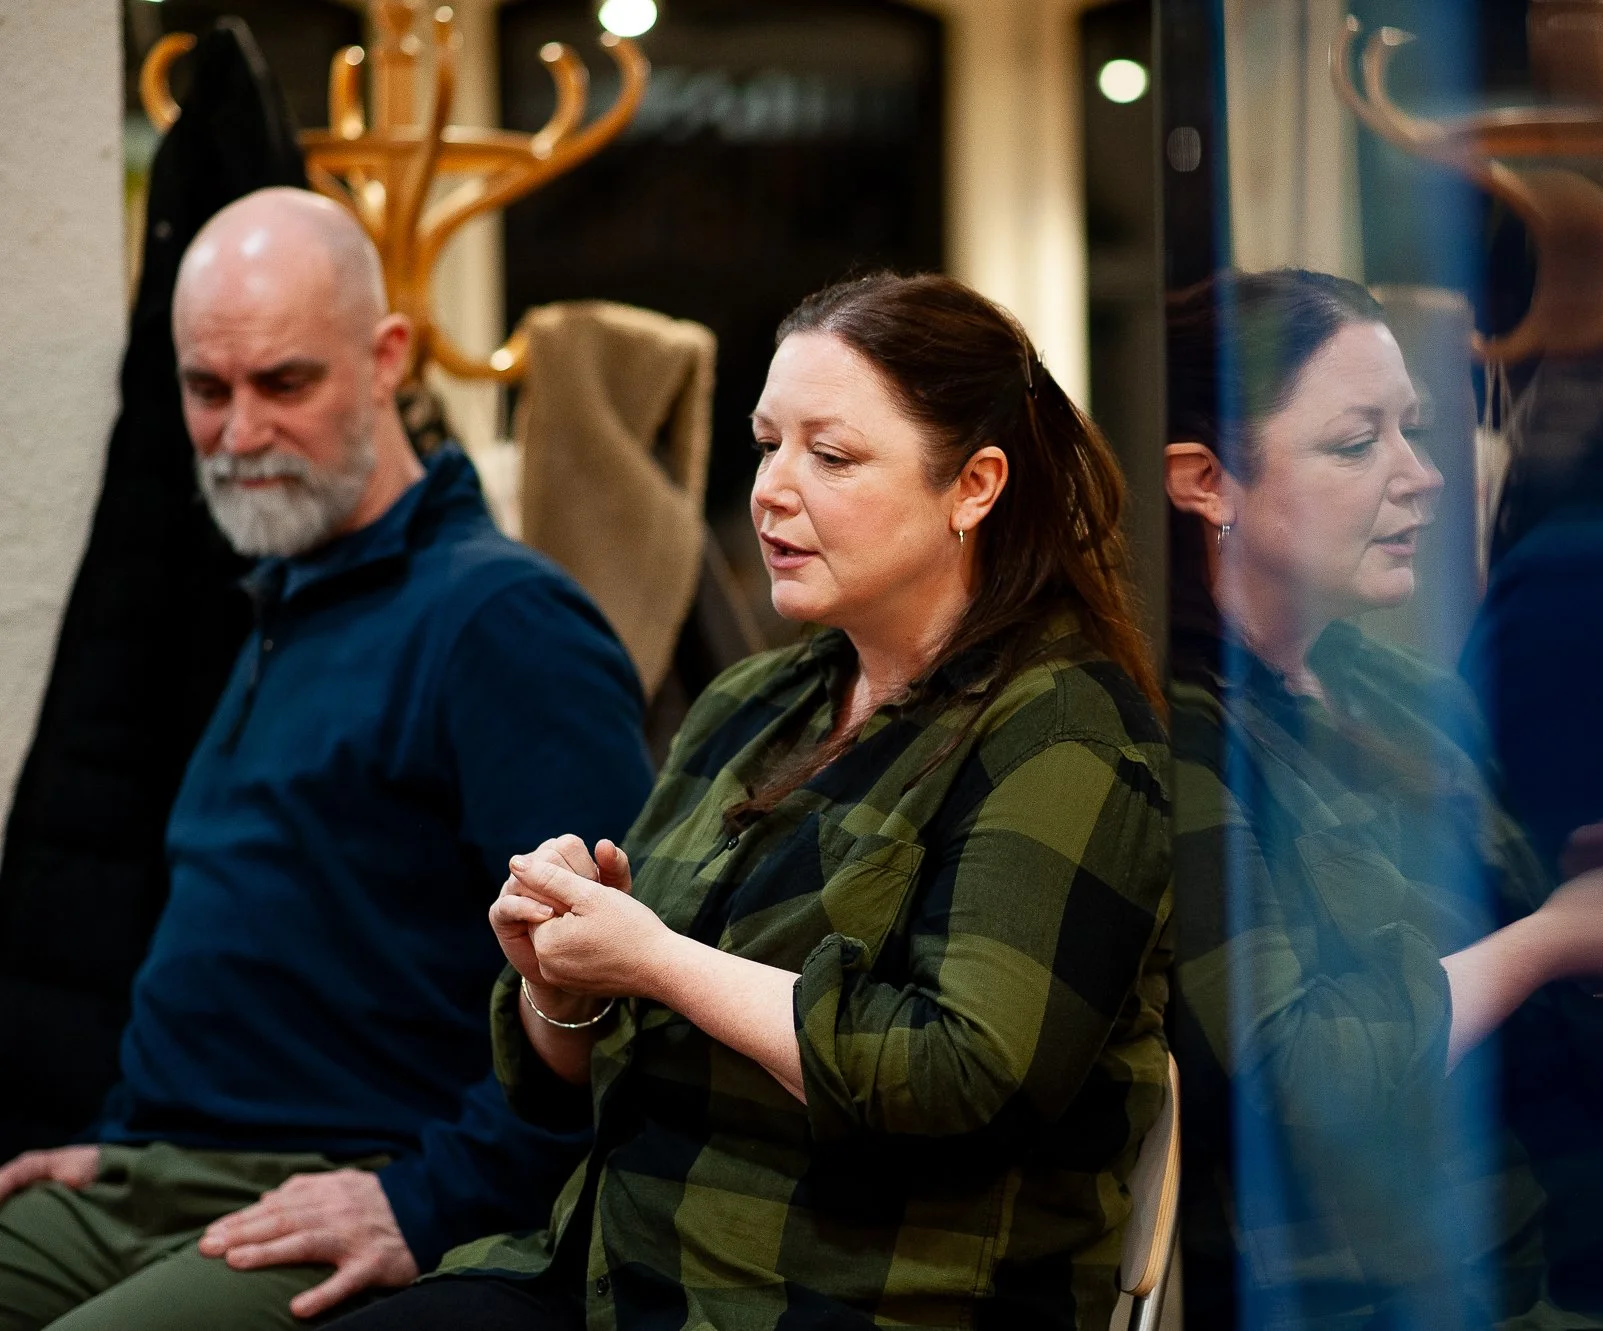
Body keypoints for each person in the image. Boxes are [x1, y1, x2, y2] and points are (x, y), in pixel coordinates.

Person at [328, 272, 1175, 1331]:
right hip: (606, 1267)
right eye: (767, 442)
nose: (771, 488)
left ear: (974, 485)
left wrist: (655, 958)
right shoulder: (756, 698)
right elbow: (570, 1085)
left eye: (829, 456)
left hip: (848, 1298)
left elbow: (961, 1075)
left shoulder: (1065, 734)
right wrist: (564, 978)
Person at [0, 188, 654, 1331]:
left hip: (335, 1187)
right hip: (144, 1175)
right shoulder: (279, 595)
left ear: (388, 355)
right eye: (209, 389)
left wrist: (425, 1197)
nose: (240, 433)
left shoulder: (503, 620)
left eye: (284, 383)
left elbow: (618, 995)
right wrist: (123, 1142)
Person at [1160, 268, 1603, 1330]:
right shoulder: (1159, 736)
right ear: (1205, 480)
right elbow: (1291, 1078)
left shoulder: (1405, 694)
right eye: (1357, 444)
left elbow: (1528, 1014)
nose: (1424, 476)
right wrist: (1552, 937)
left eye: (1413, 431)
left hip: (1529, 1263)